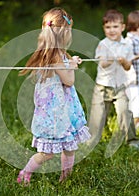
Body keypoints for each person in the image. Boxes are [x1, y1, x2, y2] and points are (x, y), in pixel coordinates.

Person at [17, 8, 91, 185]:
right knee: (48, 153)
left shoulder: (52, 53)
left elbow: (62, 68)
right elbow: (69, 81)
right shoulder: (56, 56)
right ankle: (25, 173)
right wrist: (72, 66)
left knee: (70, 146)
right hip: (56, 113)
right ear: (65, 33)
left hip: (63, 108)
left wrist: (70, 60)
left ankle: (66, 178)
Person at [88, 9, 139, 151]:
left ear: (122, 27)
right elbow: (102, 63)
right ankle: (91, 140)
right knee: (97, 115)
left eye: (115, 27)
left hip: (120, 86)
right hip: (102, 86)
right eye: (108, 27)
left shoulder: (127, 45)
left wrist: (123, 61)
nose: (112, 30)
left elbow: (128, 66)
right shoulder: (102, 44)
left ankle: (132, 140)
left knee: (125, 112)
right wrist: (110, 59)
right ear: (104, 28)